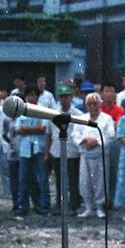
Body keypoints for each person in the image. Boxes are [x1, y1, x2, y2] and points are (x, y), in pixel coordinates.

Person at [71, 92, 115, 218]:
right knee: (85, 181)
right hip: (85, 154)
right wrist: (84, 141)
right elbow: (75, 135)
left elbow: (110, 135)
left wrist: (97, 142)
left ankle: (100, 207)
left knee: (100, 181)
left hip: (100, 154)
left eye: (95, 104)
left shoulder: (106, 119)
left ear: (99, 104)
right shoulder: (81, 118)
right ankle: (88, 206)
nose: (92, 107)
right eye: (89, 104)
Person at [46, 85, 83, 214]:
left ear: (71, 97)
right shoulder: (53, 113)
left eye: (66, 96)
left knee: (73, 179)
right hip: (57, 150)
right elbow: (49, 134)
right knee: (59, 180)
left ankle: (74, 204)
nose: (64, 99)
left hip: (72, 151)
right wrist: (47, 152)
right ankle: (60, 204)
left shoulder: (77, 114)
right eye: (62, 97)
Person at [17, 84, 51, 215]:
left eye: (34, 95)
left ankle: (44, 207)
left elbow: (43, 128)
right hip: (25, 149)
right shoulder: (21, 111)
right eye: (29, 95)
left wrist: (28, 129)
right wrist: (33, 129)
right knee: (24, 179)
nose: (32, 97)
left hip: (39, 149)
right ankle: (23, 207)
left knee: (43, 179)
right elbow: (18, 129)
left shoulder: (43, 110)